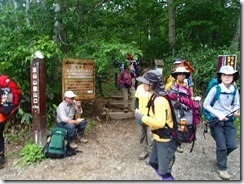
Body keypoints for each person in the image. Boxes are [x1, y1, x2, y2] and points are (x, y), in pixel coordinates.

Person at [135, 70, 177, 180]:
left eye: (145, 82)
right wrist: (153, 129)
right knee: (153, 162)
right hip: (159, 137)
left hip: (166, 140)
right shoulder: (155, 96)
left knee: (164, 171)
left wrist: (142, 117)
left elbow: (160, 122)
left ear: (152, 84)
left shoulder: (159, 100)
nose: (143, 84)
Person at [203, 65, 240, 180]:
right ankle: (222, 168)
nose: (227, 77)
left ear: (233, 77)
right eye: (224, 75)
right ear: (221, 76)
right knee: (222, 146)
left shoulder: (234, 90)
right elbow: (206, 104)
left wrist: (236, 111)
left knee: (233, 145)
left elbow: (236, 104)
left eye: (230, 75)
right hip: (216, 121)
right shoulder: (216, 89)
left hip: (229, 120)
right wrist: (218, 114)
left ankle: (220, 157)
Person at [134, 68, 153, 162]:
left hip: (151, 116)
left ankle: (152, 153)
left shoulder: (154, 88)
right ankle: (144, 150)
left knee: (151, 136)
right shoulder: (140, 87)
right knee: (141, 134)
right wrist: (136, 110)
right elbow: (136, 100)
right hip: (140, 114)